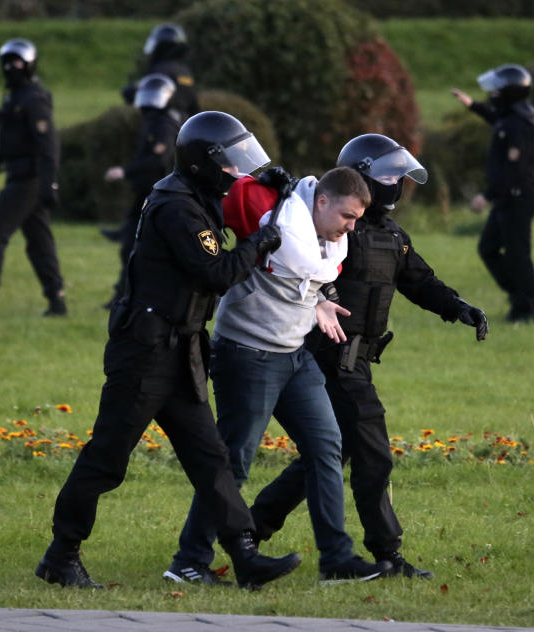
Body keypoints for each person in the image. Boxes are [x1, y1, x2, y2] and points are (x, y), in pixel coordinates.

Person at [35, 111, 301, 591]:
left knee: (210, 457)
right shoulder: (176, 207)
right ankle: (61, 555)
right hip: (146, 352)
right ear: (202, 163)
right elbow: (217, 272)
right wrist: (260, 241)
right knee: (107, 458)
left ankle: (244, 556)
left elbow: (229, 210)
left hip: (181, 350)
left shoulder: (195, 195)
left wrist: (267, 183)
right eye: (231, 163)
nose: (237, 172)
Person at [244, 134, 489, 581]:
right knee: (372, 454)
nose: (397, 183)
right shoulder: (335, 230)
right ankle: (386, 554)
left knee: (326, 457)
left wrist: (459, 308)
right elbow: (307, 269)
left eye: (401, 175)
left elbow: (421, 281)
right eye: (390, 174)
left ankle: (249, 530)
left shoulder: (393, 236)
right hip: (329, 356)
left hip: (355, 360)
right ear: (362, 174)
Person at [166, 165, 394, 585]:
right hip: (248, 356)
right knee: (232, 461)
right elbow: (251, 226)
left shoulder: (323, 240)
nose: (350, 227)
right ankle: (188, 561)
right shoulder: (275, 220)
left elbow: (312, 277)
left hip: (294, 356)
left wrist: (322, 299)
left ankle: (337, 561)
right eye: (346, 216)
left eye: (357, 219)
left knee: (326, 447)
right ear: (320, 201)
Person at [0, 38, 66, 318]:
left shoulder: (33, 99)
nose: (11, 67)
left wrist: (50, 184)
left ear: (29, 65)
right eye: (7, 62)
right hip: (21, 177)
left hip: (29, 181)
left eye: (17, 62)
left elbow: (49, 146)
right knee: (39, 244)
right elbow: (7, 146)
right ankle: (57, 302)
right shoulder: (13, 97)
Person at [451, 64, 534, 323]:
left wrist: (486, 196)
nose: (494, 93)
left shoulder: (520, 126)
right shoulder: (510, 119)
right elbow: (496, 119)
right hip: (507, 197)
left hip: (518, 197)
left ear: (511, 92)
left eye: (498, 89)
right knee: (488, 248)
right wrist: (472, 105)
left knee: (518, 254)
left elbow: (516, 170)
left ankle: (528, 308)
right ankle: (519, 297)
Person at [103, 73, 182, 307]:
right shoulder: (154, 120)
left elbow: (157, 161)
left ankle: (125, 296)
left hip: (157, 194)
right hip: (148, 193)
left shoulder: (164, 124)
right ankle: (123, 295)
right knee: (131, 244)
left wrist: (125, 172)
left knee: (135, 246)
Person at [121, 23, 200, 124]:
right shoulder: (184, 70)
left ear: (161, 46)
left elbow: (148, 95)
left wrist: (130, 90)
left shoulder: (160, 69)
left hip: (162, 123)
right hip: (183, 124)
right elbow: (194, 104)